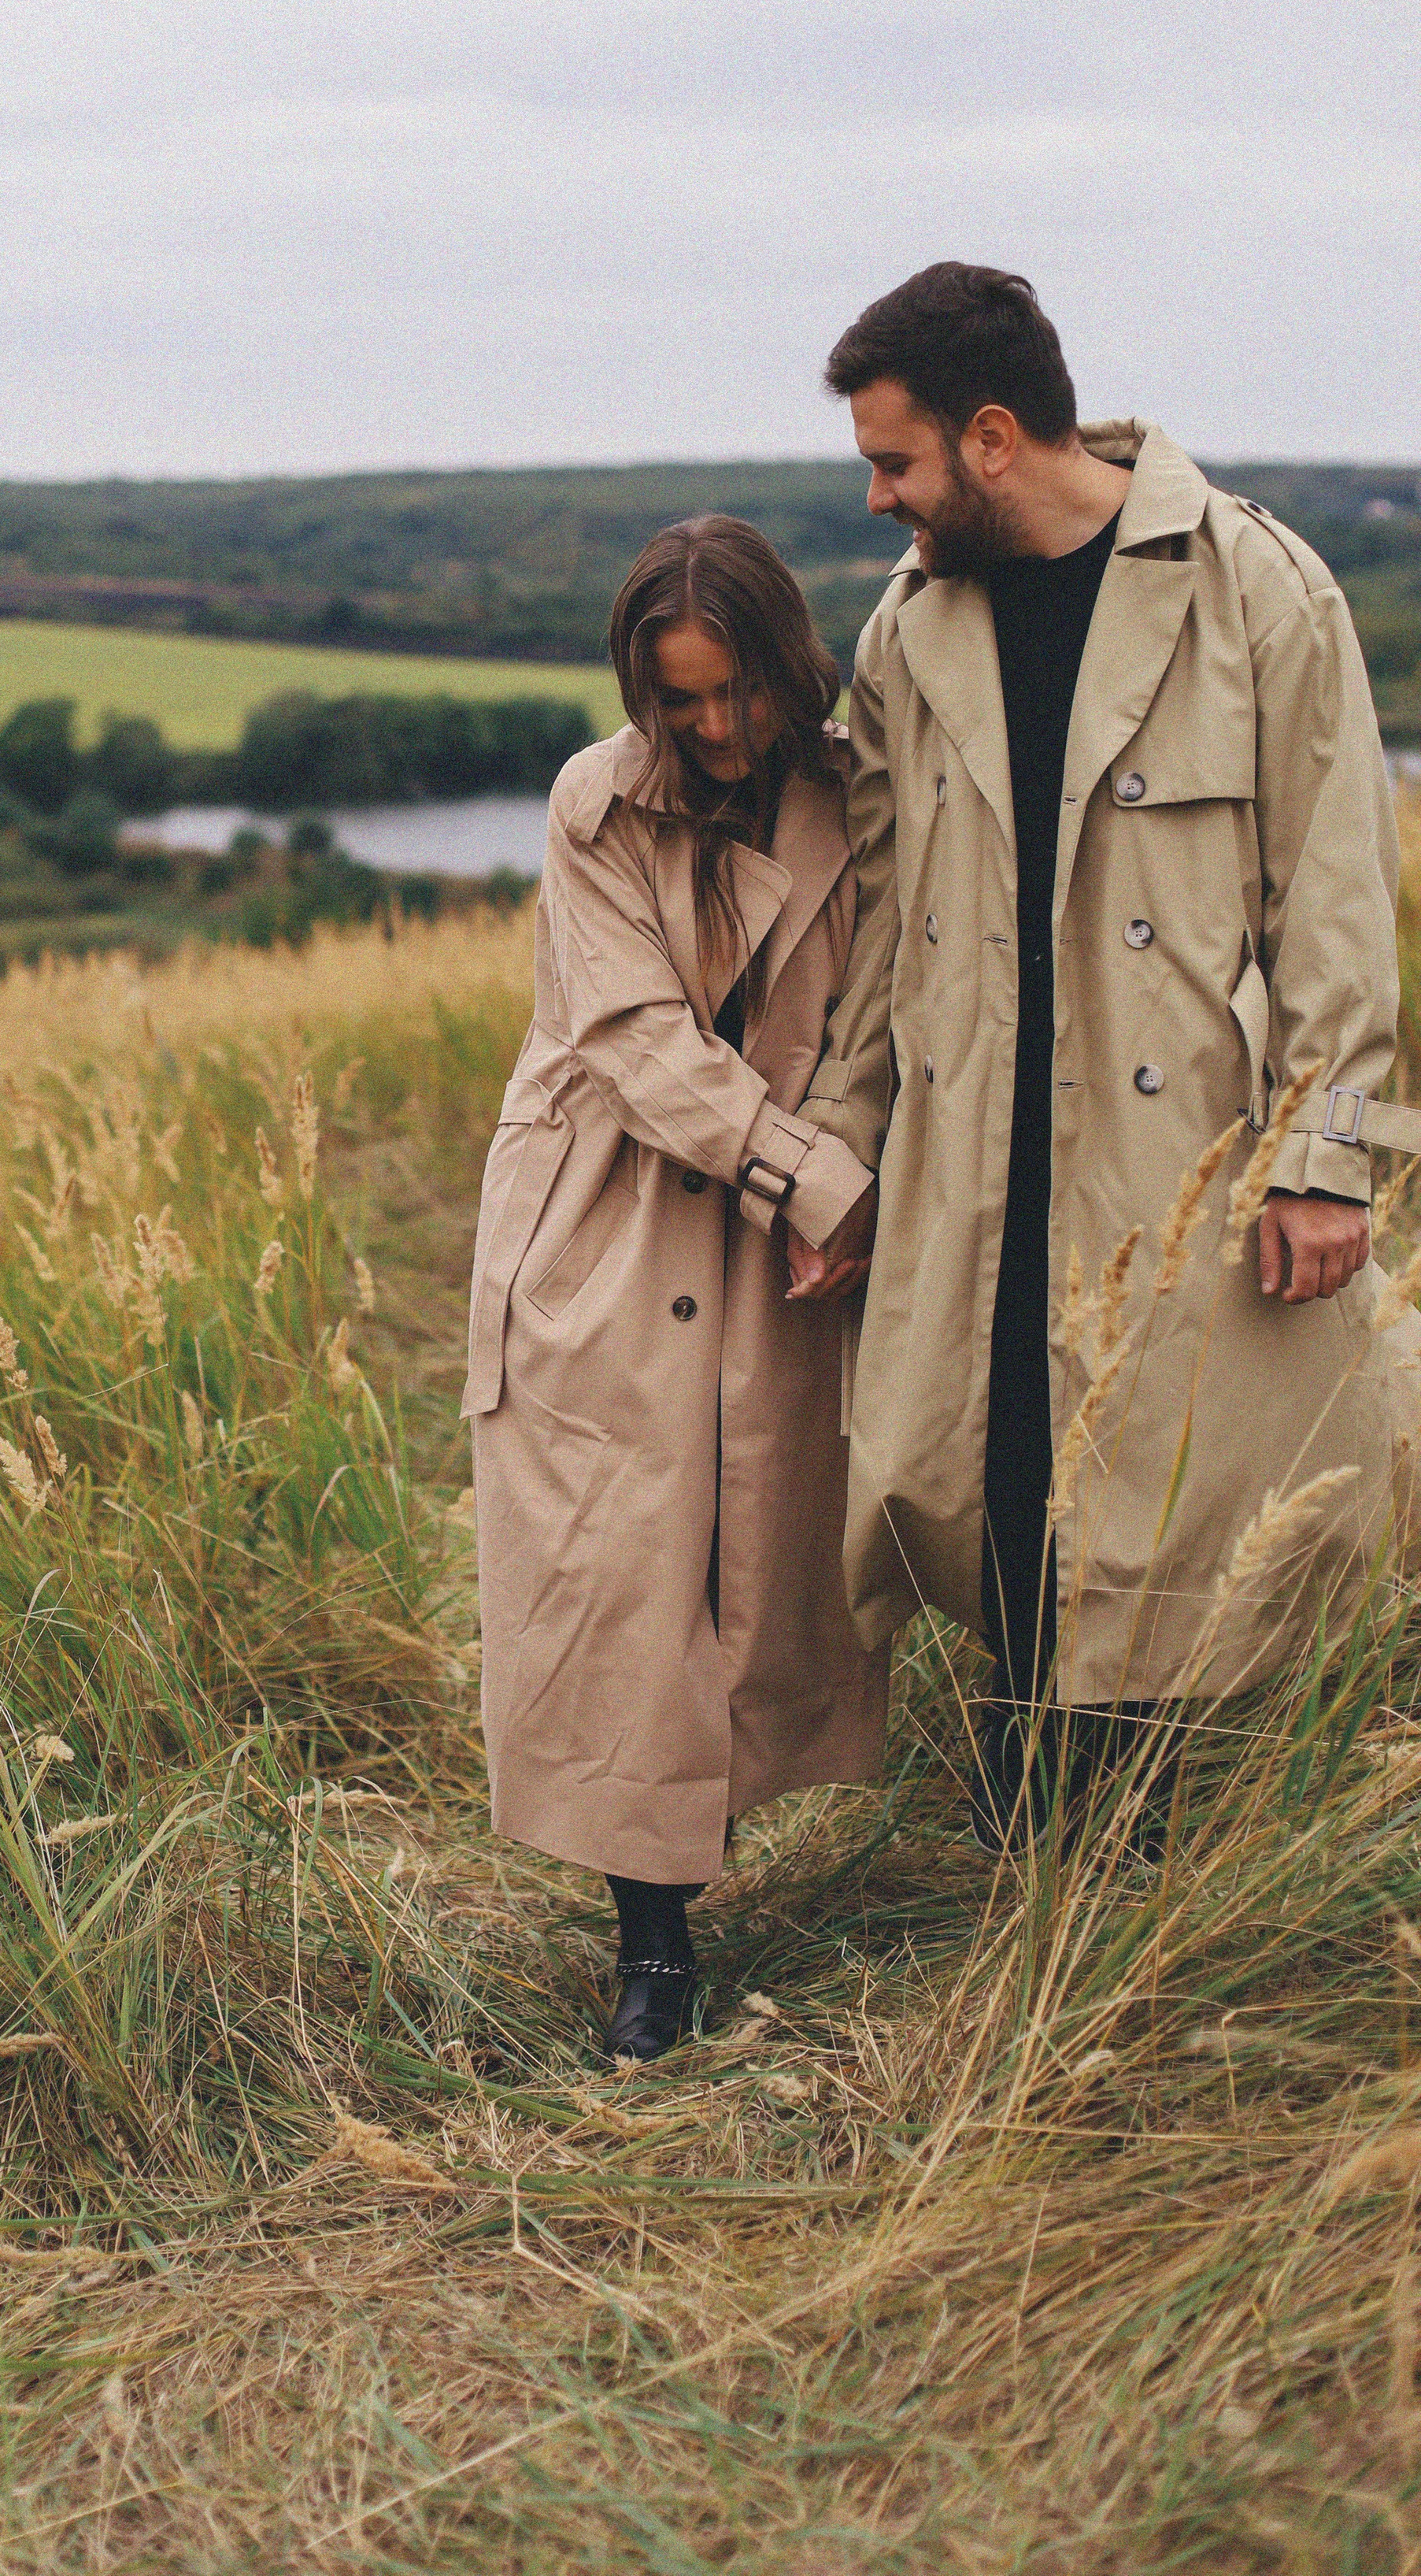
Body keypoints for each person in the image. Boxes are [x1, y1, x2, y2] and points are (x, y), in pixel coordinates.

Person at [783, 261, 1413, 1841]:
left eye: (894, 461)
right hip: (965, 1161)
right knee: (982, 1472)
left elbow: (1334, 910)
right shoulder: (905, 632)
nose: (875, 498)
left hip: (1178, 1146)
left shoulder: (1256, 590)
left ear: (990, 437)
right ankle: (1031, 1820)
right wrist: (829, 1164)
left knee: (1176, 1482)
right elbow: (872, 940)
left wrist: (1325, 1162)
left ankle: (1183, 1836)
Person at [464, 516, 886, 2060]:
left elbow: (882, 1010)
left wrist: (835, 1166)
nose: (711, 730)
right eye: (677, 702)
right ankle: (648, 1947)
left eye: (733, 694)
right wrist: (820, 1184)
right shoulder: (595, 801)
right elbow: (633, 1042)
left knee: (769, 1548)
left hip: (792, 1227)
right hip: (610, 1216)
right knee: (619, 1576)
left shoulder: (859, 792)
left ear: (784, 663)